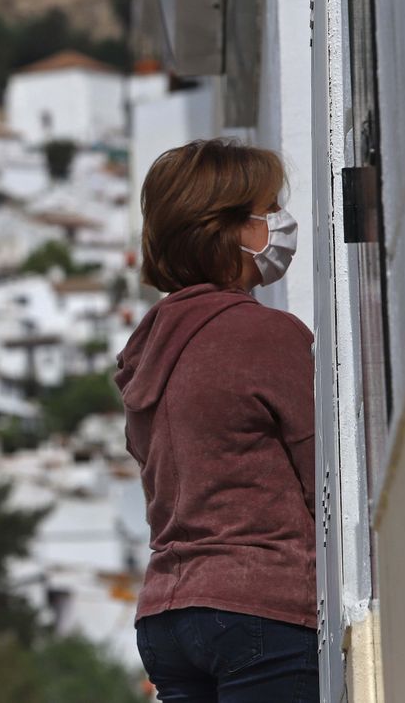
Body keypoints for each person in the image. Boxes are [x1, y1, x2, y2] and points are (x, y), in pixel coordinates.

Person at [116, 139, 318, 702]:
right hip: (261, 607)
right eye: (268, 209)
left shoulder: (146, 348)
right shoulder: (265, 335)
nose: (280, 222)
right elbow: (325, 475)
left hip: (166, 615)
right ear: (225, 227)